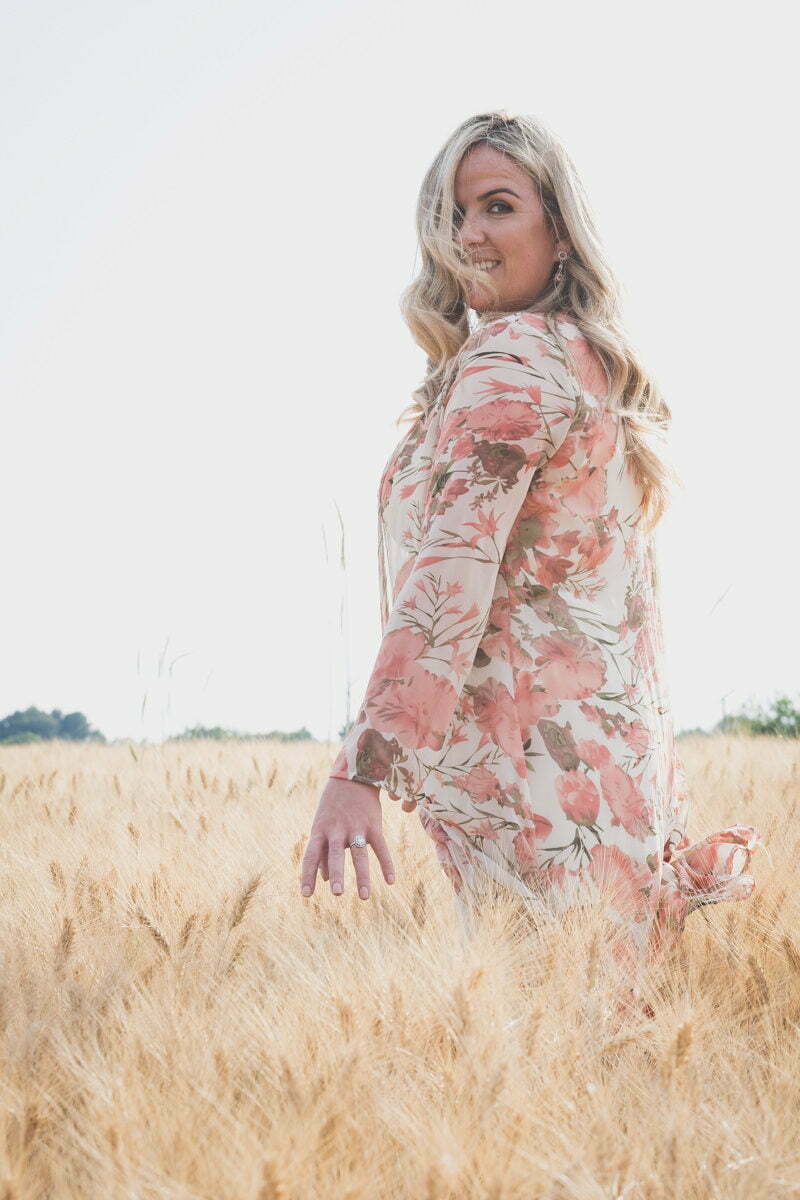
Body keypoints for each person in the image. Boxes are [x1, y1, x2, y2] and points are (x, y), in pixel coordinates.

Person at [299, 110, 762, 1008]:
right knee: (600, 1058)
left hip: (535, 788)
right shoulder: (585, 362)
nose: (468, 234)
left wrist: (362, 773)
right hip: (607, 785)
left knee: (553, 1040)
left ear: (560, 232)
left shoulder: (512, 358)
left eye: (498, 206)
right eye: (452, 212)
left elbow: (451, 579)